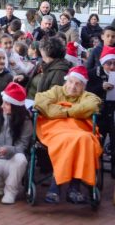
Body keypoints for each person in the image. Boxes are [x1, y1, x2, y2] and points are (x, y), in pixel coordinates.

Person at [34, 66, 102, 204]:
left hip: (80, 132)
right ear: (66, 81)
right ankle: (72, 189)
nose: (73, 86)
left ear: (84, 86)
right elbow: (40, 102)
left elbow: (92, 105)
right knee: (72, 140)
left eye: (78, 84)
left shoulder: (88, 96)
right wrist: (69, 111)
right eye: (71, 82)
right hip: (57, 130)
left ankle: (59, 188)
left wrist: (60, 110)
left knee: (85, 139)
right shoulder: (56, 91)